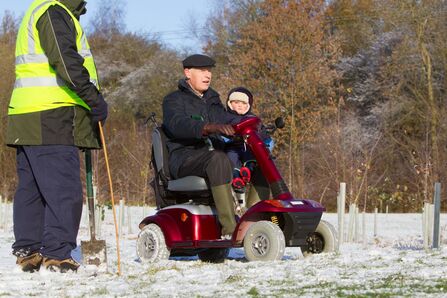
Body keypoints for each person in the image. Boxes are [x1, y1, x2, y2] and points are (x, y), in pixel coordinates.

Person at [6, 0, 107, 273]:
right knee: (64, 188)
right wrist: (92, 97)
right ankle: (57, 254)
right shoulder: (53, 12)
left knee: (33, 188)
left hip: (26, 114)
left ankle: (30, 250)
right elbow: (65, 60)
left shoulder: (39, 9)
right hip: (51, 114)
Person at [162, 54, 244, 239]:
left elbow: (228, 119)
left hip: (212, 157)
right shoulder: (173, 100)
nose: (208, 75)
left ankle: (257, 218)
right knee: (218, 158)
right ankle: (230, 227)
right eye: (202, 70)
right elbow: (177, 124)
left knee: (252, 157)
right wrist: (206, 128)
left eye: (209, 70)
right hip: (185, 158)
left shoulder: (213, 100)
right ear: (187, 72)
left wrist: (250, 124)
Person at [224, 87, 273, 193]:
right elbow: (220, 131)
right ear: (230, 103)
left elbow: (261, 131)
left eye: (243, 103)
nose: (240, 105)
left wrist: (265, 141)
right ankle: (236, 177)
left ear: (248, 105)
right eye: (236, 102)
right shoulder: (225, 117)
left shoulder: (252, 118)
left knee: (251, 156)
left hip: (249, 145)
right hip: (232, 146)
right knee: (231, 159)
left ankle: (248, 170)